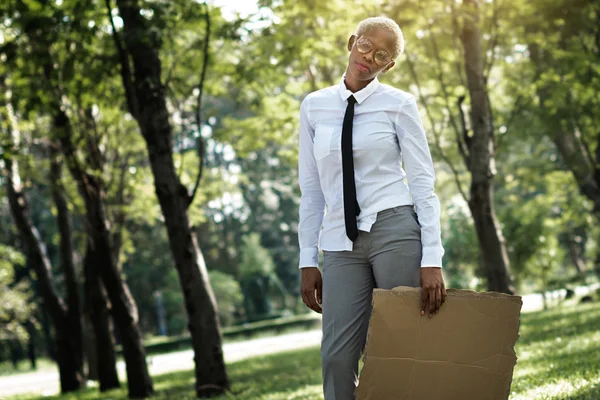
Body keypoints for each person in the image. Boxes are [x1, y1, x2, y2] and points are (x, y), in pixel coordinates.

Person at [297, 16, 447, 400]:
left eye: (382, 54)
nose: (369, 56)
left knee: (403, 350)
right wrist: (306, 259)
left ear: (389, 65)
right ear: (351, 42)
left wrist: (433, 257)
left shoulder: (399, 105)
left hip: (394, 230)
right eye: (365, 45)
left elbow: (422, 183)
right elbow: (312, 189)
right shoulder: (314, 107)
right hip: (340, 244)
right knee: (336, 357)